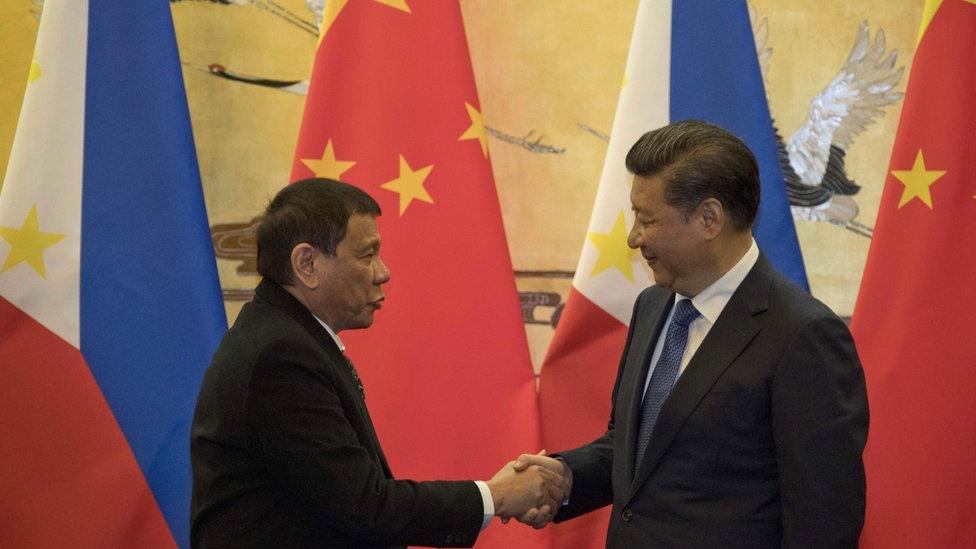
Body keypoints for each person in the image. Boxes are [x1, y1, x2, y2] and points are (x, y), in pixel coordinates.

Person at [516, 120, 869, 547]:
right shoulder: (652, 306)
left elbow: (822, 523)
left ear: (709, 219)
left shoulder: (803, 335)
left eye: (647, 220)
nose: (633, 238)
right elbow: (638, 448)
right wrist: (565, 476)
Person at [190, 178, 566, 548]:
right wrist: (496, 496)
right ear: (307, 264)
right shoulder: (280, 357)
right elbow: (366, 507)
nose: (383, 272)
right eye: (367, 255)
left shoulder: (285, 336)